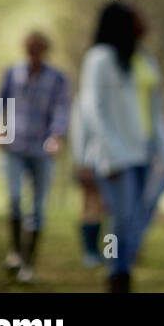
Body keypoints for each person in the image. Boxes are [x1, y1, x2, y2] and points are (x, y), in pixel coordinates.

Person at [78, 1, 164, 292]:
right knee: (122, 217)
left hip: (143, 154)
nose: (144, 22)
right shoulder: (99, 58)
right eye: (136, 18)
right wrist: (111, 154)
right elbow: (94, 109)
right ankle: (118, 275)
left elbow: (156, 114)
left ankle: (120, 271)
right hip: (114, 157)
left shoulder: (144, 60)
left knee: (136, 217)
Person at [0, 31, 70, 284]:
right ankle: (15, 252)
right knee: (15, 199)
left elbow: (62, 108)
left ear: (45, 50)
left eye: (38, 49)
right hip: (15, 146)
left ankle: (28, 264)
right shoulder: (12, 73)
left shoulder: (58, 78)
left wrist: (56, 136)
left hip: (42, 149)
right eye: (30, 49)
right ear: (25, 49)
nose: (34, 54)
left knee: (37, 208)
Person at [67, 95, 106, 267]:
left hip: (118, 161)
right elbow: (79, 134)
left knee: (110, 212)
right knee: (91, 208)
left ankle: (110, 253)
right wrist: (81, 162)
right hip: (91, 162)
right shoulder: (84, 101)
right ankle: (90, 252)